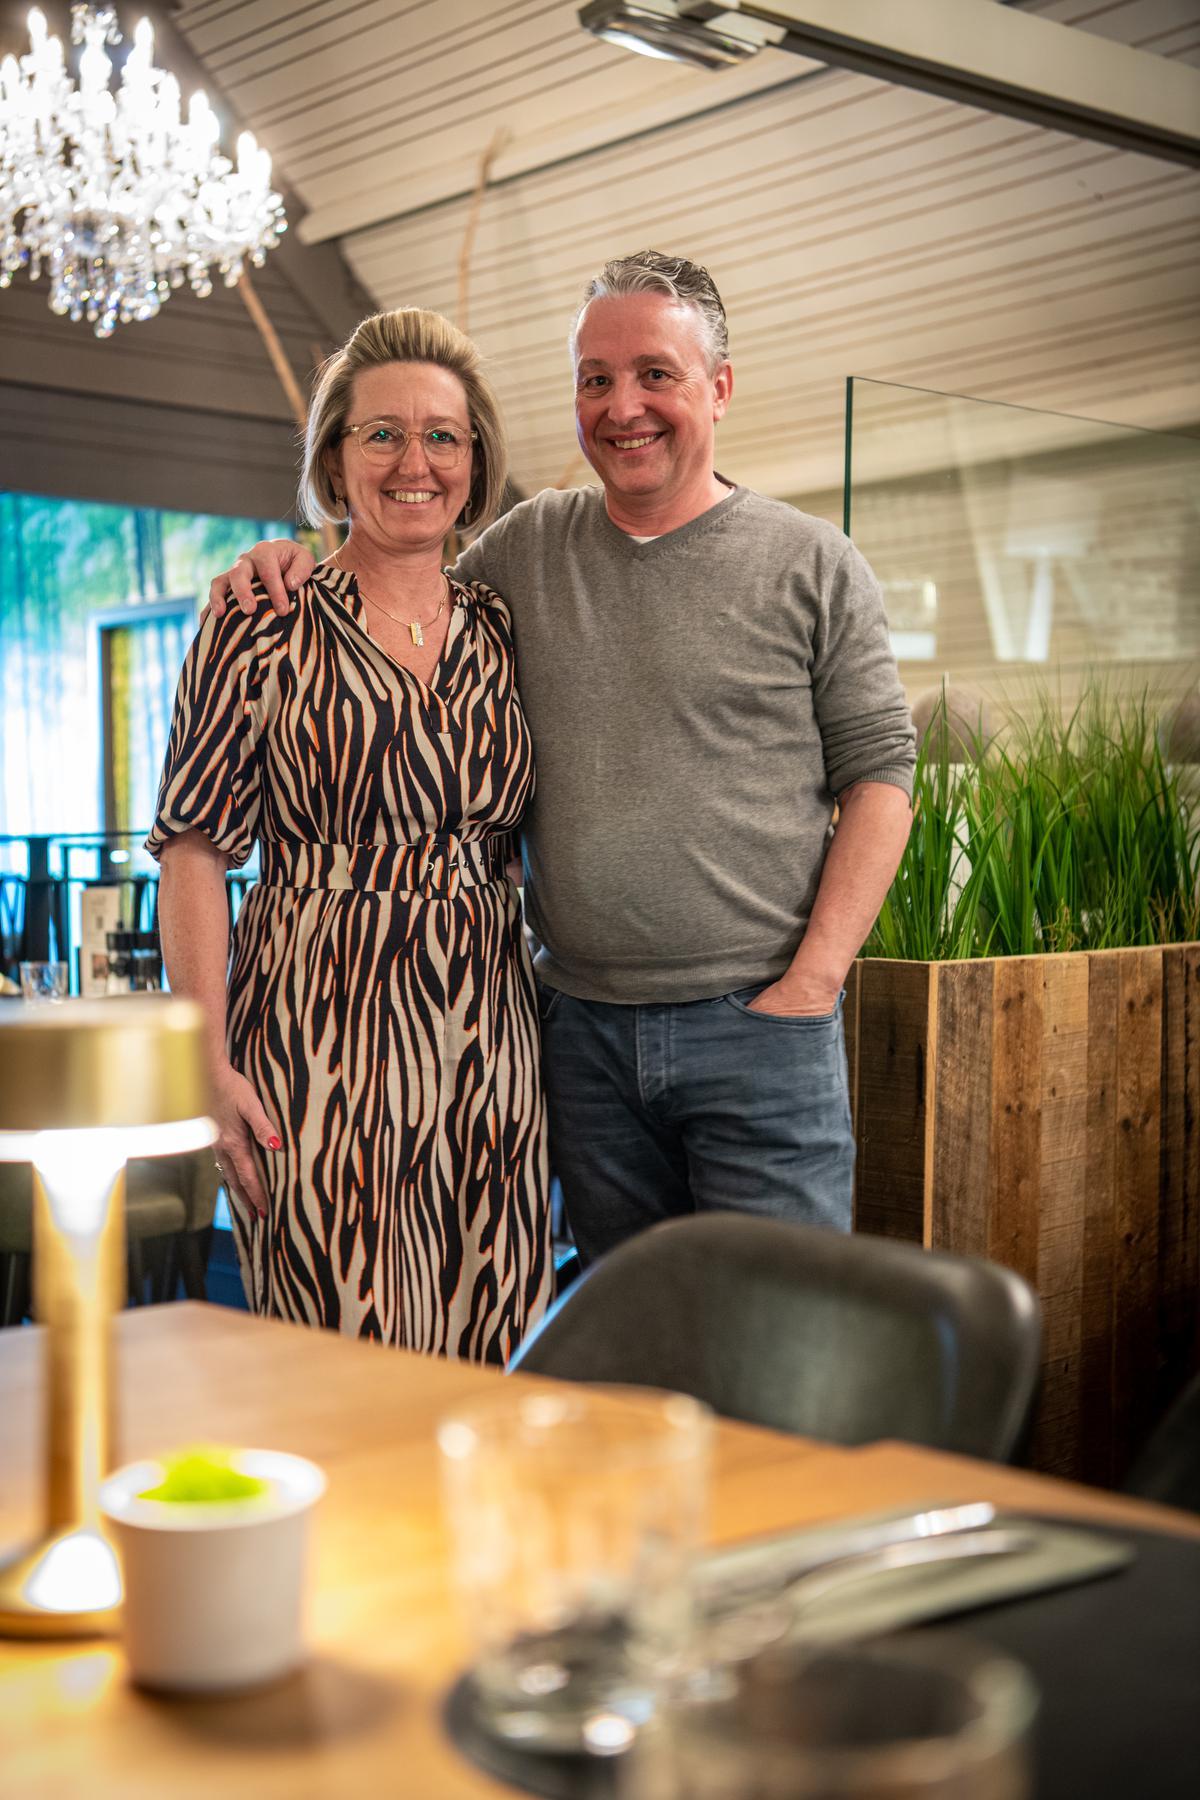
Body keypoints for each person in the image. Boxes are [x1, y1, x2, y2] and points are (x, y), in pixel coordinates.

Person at [208, 251, 915, 1268]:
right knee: (620, 1370)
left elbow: (882, 778)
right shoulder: (522, 554)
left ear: (718, 387)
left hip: (758, 1029)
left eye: (655, 374)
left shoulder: (812, 562)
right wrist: (283, 557)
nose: (622, 405)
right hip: (575, 1039)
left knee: (782, 1355)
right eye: (596, 378)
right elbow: (395, 572)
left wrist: (812, 982)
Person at [150, 308, 551, 1360]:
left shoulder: (505, 625)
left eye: (442, 436)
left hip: (490, 1044)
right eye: (381, 434)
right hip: (318, 1038)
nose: (413, 461)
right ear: (335, 458)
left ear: (475, 460)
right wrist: (205, 1052)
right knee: (338, 1351)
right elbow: (194, 848)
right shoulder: (259, 618)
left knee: (493, 1345)